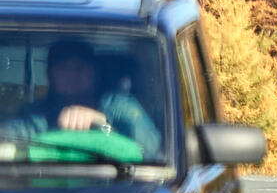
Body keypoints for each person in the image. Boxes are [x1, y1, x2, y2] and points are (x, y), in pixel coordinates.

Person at [2, 37, 164, 158]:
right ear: (49, 74)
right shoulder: (36, 117)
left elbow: (151, 151)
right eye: (63, 68)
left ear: (94, 72)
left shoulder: (121, 107)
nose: (72, 75)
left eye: (79, 67)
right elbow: (11, 135)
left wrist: (103, 122)